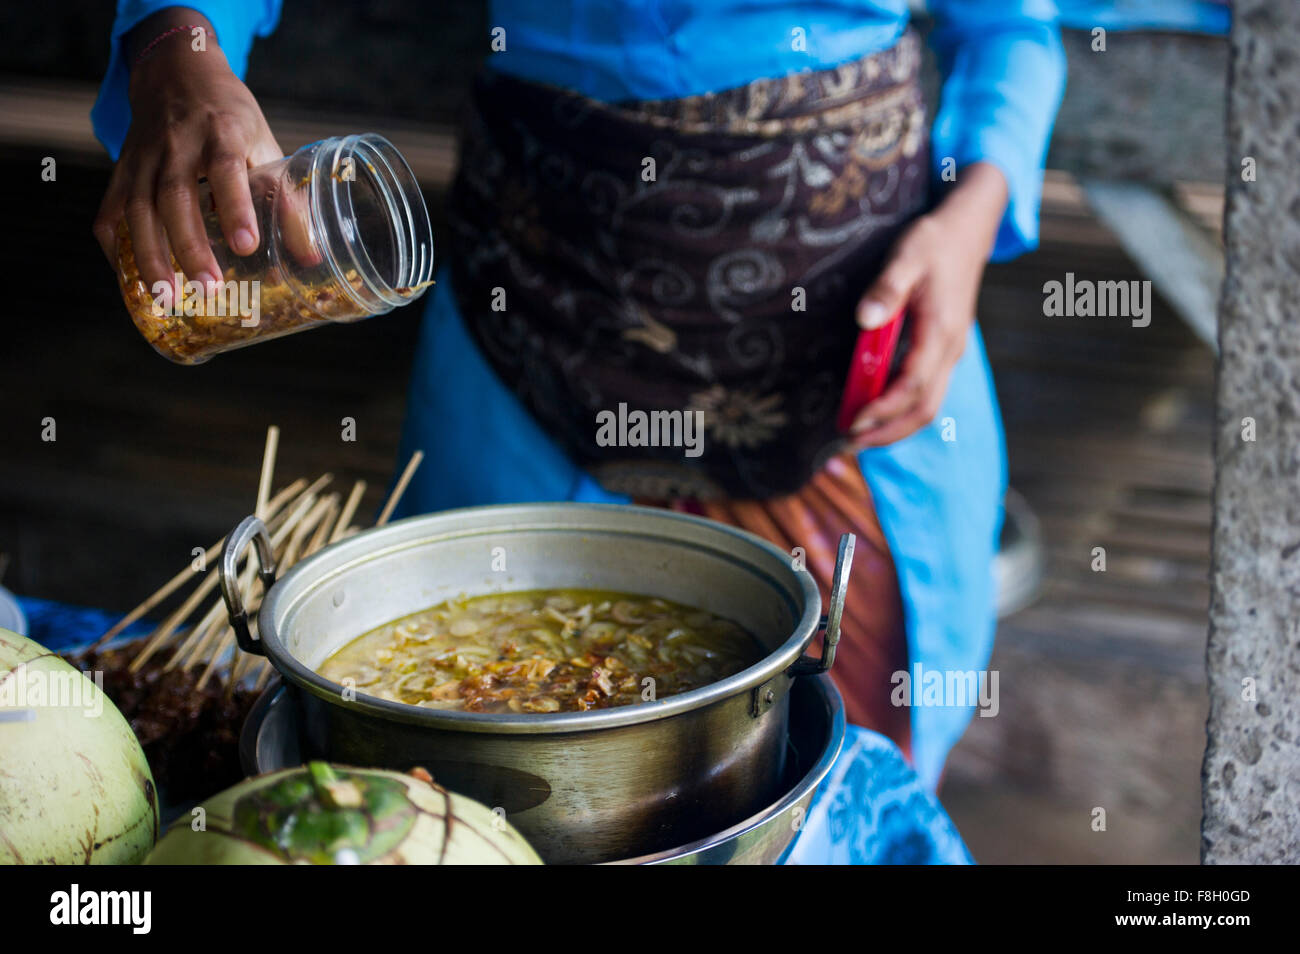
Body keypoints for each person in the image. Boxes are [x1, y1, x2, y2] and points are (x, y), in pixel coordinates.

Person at [92, 1, 1066, 792]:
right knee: (472, 776)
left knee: (846, 774)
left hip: (857, 344)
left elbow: (1010, 26)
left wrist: (971, 219)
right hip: (530, 324)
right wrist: (180, 43)